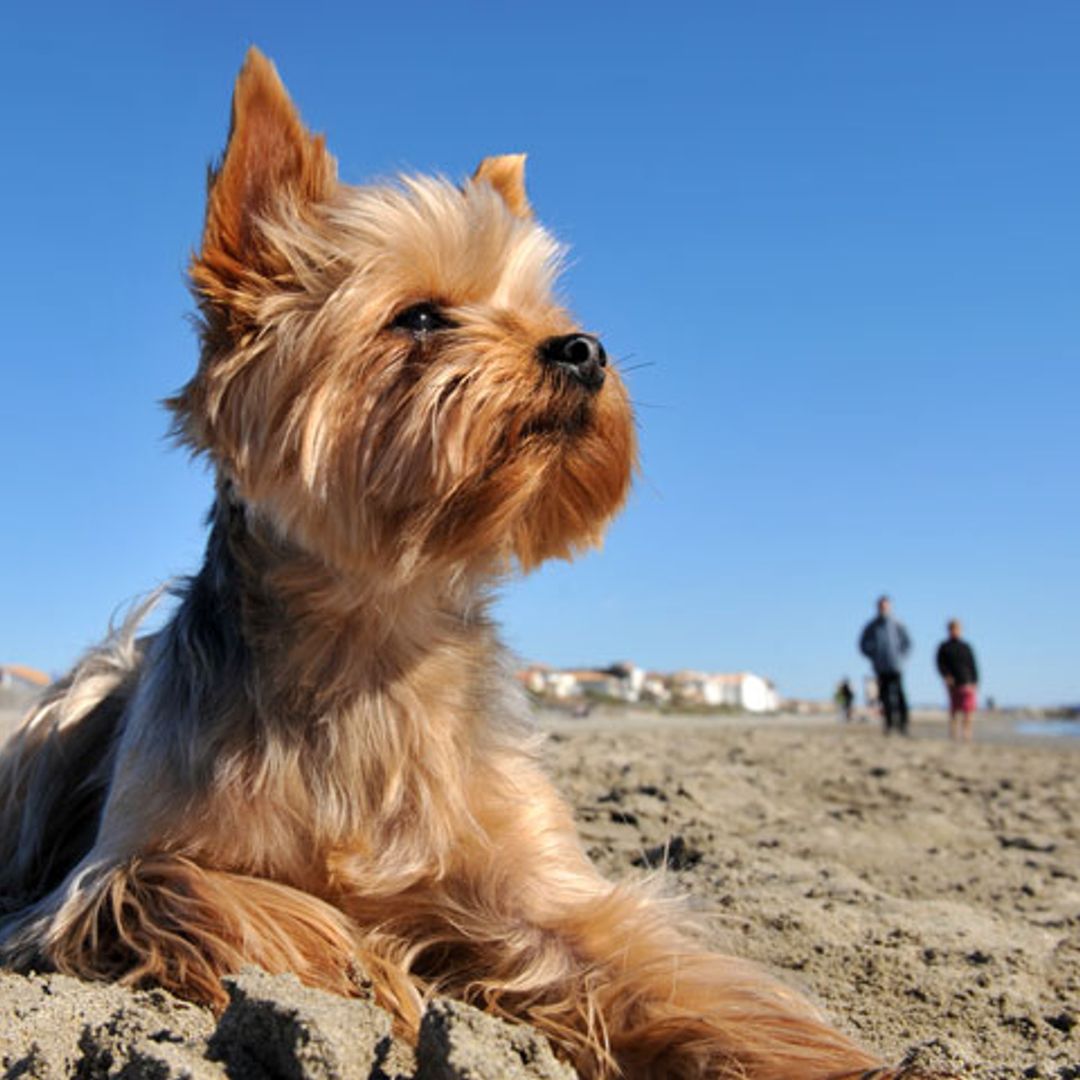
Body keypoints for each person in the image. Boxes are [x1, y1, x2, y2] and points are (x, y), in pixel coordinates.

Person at [859, 595, 912, 735]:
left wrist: (901, 657)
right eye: (881, 606)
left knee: (900, 695)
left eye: (886, 606)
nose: (883, 608)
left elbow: (907, 643)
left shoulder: (897, 624)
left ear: (890, 607)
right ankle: (888, 725)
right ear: (877, 607)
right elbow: (862, 644)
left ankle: (903, 726)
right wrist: (873, 656)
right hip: (880, 667)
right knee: (884, 697)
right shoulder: (872, 626)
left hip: (896, 665)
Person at [936, 619, 979, 743]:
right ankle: (953, 734)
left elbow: (973, 664)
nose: (955, 631)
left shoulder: (966, 647)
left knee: (968, 710)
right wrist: (946, 676)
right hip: (953, 683)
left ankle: (967, 734)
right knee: (954, 709)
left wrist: (975, 681)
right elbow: (940, 664)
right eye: (953, 629)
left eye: (957, 629)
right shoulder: (944, 647)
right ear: (949, 630)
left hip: (967, 681)